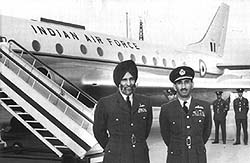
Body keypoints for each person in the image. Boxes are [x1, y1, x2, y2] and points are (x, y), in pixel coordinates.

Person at [93, 60, 153, 163]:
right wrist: (112, 147)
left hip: (140, 156)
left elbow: (145, 130)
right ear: (118, 82)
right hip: (115, 157)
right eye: (124, 80)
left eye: (131, 79)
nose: (128, 84)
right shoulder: (105, 103)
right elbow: (99, 132)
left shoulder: (145, 102)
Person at [159, 66, 212, 163]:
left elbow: (206, 133)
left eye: (187, 82)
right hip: (176, 157)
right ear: (174, 87)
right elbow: (166, 135)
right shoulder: (166, 109)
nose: (183, 87)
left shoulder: (205, 107)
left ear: (192, 84)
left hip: (197, 157)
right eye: (179, 83)